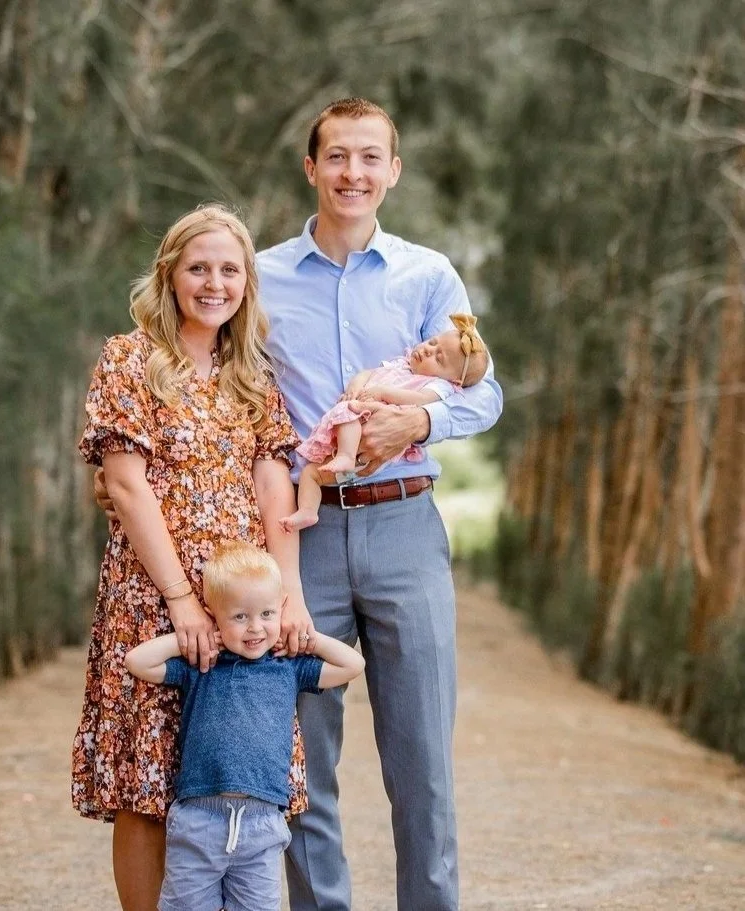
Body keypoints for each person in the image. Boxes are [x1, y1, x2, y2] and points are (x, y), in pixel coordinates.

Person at [96, 98, 503, 910]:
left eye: (369, 157)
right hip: (298, 535)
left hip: (403, 525)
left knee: (421, 756)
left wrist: (421, 417)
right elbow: (221, 389)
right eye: (337, 156)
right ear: (310, 167)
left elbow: (483, 390)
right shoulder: (259, 276)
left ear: (393, 170)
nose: (353, 173)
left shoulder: (428, 275)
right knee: (301, 760)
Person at [72, 204, 318, 911]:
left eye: (229, 269)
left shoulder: (252, 376)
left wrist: (289, 591)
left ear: (247, 281)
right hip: (154, 590)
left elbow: (274, 479)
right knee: (146, 776)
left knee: (232, 769)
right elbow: (125, 482)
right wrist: (180, 598)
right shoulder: (129, 359)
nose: (214, 283)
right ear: (170, 275)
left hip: (244, 600)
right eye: (198, 267)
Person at [124, 542, 364, 911]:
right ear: (213, 616)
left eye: (267, 613)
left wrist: (309, 639)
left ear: (280, 609)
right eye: (239, 617)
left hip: (262, 825)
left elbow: (352, 665)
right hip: (198, 820)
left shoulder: (287, 668)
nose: (255, 628)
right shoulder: (203, 666)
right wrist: (189, 638)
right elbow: (137, 661)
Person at [280, 314, 488, 532]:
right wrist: (355, 387)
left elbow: (417, 400)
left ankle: (346, 457)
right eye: (432, 342)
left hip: (372, 455)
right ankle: (308, 511)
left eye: (438, 358)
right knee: (311, 474)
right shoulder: (401, 365)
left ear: (453, 380)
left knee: (350, 414)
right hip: (348, 442)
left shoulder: (436, 386)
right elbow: (368, 373)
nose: (428, 350)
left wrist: (382, 392)